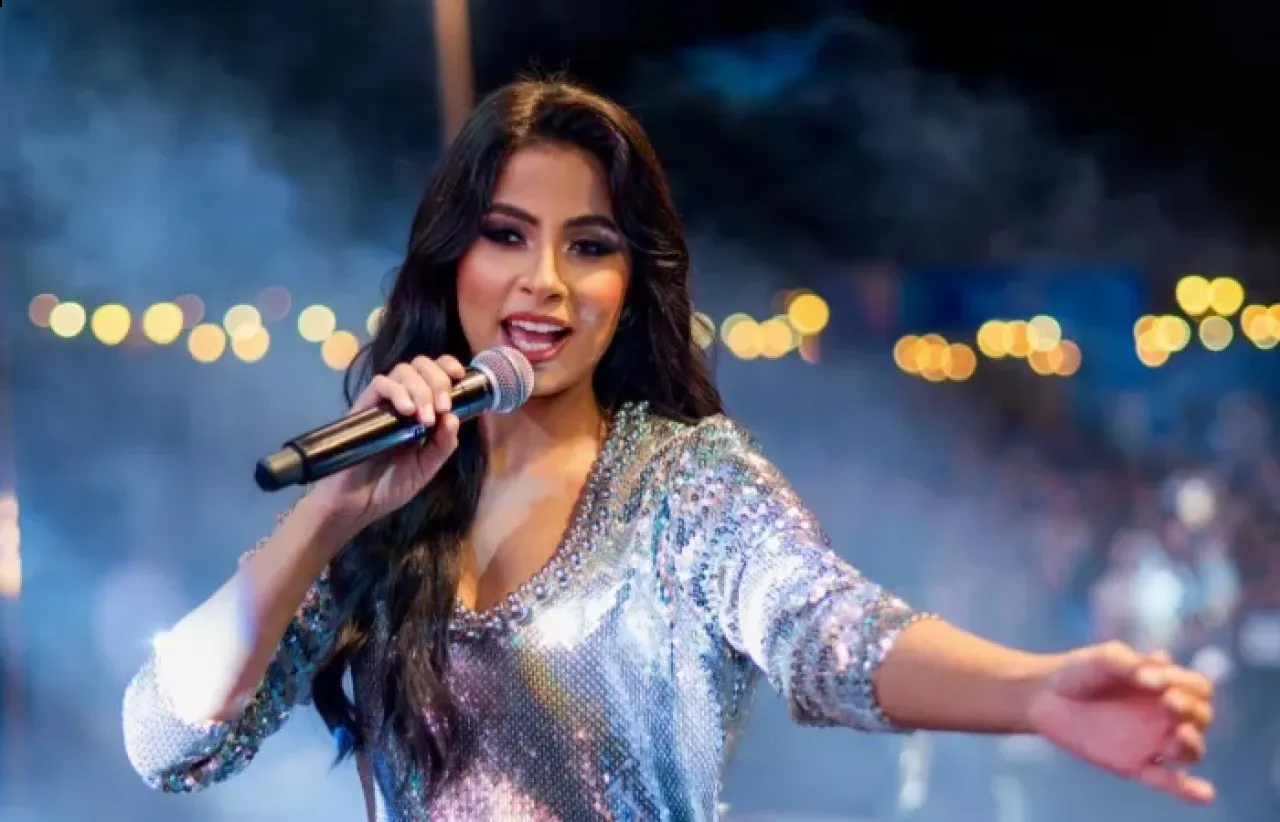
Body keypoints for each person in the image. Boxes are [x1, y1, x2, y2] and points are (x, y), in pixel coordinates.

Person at [121, 79, 1217, 821]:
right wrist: (329, 516)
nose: (544, 282)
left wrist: (1030, 691)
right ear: (450, 261)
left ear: (628, 286)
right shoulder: (384, 515)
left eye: (588, 247)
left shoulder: (683, 485)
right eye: (506, 235)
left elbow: (831, 632)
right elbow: (166, 744)